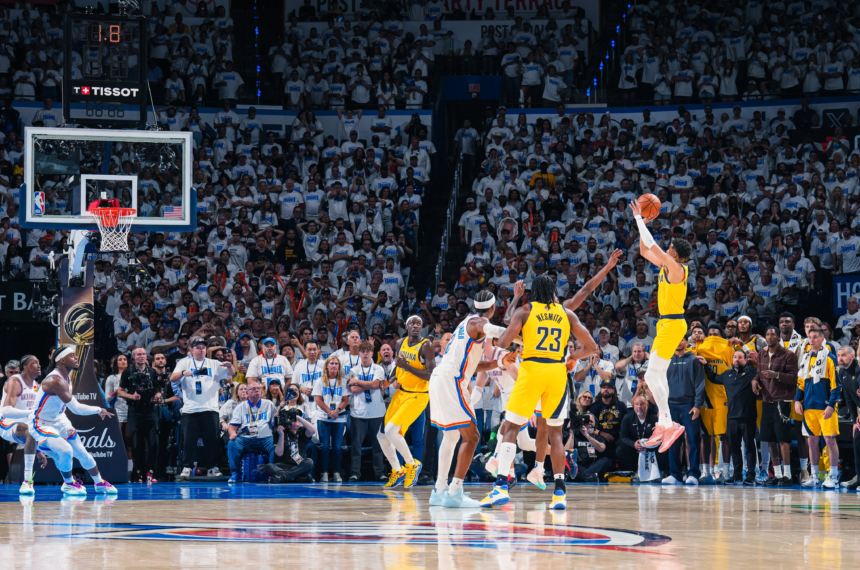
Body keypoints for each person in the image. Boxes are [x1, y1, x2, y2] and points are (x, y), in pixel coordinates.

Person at [481, 274, 596, 510]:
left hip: (532, 370)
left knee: (511, 428)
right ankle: (560, 493)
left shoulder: (525, 311)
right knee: (556, 434)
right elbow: (592, 347)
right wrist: (573, 356)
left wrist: (522, 335)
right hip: (557, 372)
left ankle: (501, 486)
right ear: (553, 292)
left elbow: (502, 343)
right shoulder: (566, 313)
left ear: (534, 293)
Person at [429, 289, 517, 508]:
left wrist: (500, 362)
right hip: (451, 380)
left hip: (441, 377)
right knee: (472, 437)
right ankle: (454, 492)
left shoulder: (464, 325)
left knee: (451, 436)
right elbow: (499, 332)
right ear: (493, 308)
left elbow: (473, 365)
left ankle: (439, 490)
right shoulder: (478, 322)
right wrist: (526, 337)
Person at [629, 198, 693, 451]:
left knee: (651, 374)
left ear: (674, 254)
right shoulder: (669, 265)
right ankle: (665, 422)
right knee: (657, 374)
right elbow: (645, 250)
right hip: (667, 325)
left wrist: (638, 218)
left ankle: (667, 422)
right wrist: (643, 226)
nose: (666, 249)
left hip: (673, 324)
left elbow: (653, 245)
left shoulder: (676, 269)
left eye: (669, 248)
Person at [26, 348, 117, 496]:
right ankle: (68, 484)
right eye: (72, 356)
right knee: (66, 450)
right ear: (62, 360)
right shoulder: (54, 380)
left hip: (60, 420)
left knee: (82, 453)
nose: (76, 358)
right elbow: (76, 408)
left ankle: (99, 483)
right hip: (41, 423)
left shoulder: (67, 377)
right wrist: (99, 409)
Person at [379, 315, 435, 488]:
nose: (416, 326)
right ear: (406, 326)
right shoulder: (399, 343)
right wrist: (389, 380)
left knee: (391, 431)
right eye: (412, 323)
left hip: (418, 395)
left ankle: (412, 464)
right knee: (381, 436)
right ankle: (398, 470)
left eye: (419, 324)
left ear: (422, 327)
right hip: (401, 393)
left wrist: (408, 367)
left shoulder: (426, 346)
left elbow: (431, 374)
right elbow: (398, 365)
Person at [170, 336, 235, 480]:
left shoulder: (214, 363)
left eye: (203, 348)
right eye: (198, 348)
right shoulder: (184, 362)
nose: (201, 350)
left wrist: (229, 366)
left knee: (212, 441)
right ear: (191, 349)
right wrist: (183, 373)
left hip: (210, 409)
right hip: (190, 409)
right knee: (189, 441)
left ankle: (212, 468)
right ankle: (187, 467)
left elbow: (231, 374)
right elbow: (172, 378)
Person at [795, 327, 841, 488]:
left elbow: (836, 385)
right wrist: (797, 400)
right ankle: (815, 477)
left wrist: (831, 405)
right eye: (810, 337)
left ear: (822, 339)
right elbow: (801, 383)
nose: (812, 340)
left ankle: (833, 477)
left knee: (830, 440)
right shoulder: (805, 358)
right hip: (809, 407)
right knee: (812, 441)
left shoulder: (830, 358)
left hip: (825, 406)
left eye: (815, 337)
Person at [753, 326, 798, 487]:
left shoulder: (788, 355)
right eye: (767, 334)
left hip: (782, 401)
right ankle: (777, 474)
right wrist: (754, 381)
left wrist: (776, 375)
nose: (769, 337)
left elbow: (794, 378)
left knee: (783, 439)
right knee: (769, 439)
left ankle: (787, 475)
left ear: (778, 337)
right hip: (767, 400)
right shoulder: (762, 353)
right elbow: (759, 372)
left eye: (773, 334)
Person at [117, 347, 165, 483]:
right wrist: (132, 397)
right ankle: (138, 472)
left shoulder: (152, 372)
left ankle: (151, 471)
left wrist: (157, 397)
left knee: (153, 443)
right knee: (137, 442)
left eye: (144, 354)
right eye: (139, 354)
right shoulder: (127, 372)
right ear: (134, 357)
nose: (142, 356)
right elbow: (120, 391)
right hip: (135, 410)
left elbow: (159, 389)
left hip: (150, 410)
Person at [663, 337, 705, 485]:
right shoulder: (666, 360)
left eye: (682, 340)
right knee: (673, 441)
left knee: (693, 440)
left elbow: (700, 384)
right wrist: (662, 407)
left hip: (689, 405)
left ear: (687, 342)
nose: (678, 342)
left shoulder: (694, 360)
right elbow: (661, 384)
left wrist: (697, 405)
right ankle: (675, 475)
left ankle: (693, 474)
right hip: (671, 406)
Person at [0, 355, 42, 495]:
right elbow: (6, 411)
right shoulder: (15, 381)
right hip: (7, 423)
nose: (39, 365)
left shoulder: (36, 386)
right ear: (26, 367)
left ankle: (69, 481)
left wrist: (39, 450)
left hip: (25, 426)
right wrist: (31, 413)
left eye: (39, 362)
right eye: (35, 363)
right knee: (30, 430)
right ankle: (27, 481)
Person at [715, 350, 758, 485]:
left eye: (740, 357)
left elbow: (763, 371)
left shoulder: (752, 372)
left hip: (748, 416)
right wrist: (705, 365)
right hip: (732, 417)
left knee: (749, 446)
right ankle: (737, 475)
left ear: (745, 360)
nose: (737, 359)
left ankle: (750, 475)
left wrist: (756, 361)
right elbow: (712, 378)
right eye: (735, 357)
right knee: (734, 447)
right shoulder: (726, 375)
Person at [346, 341, 387, 482]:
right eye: (362, 351)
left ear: (372, 353)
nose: (365, 354)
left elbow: (376, 385)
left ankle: (379, 473)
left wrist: (358, 382)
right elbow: (353, 389)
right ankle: (355, 473)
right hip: (358, 412)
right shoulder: (354, 370)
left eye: (367, 351)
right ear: (359, 353)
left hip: (377, 412)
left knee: (378, 445)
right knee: (356, 445)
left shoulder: (378, 368)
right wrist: (370, 385)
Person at [261, 384, 317, 483]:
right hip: (282, 465)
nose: (296, 422)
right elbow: (279, 453)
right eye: (293, 419)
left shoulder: (301, 431)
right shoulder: (281, 432)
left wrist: (298, 417)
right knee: (269, 466)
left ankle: (284, 477)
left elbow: (313, 430)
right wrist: (281, 435)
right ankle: (295, 476)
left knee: (309, 462)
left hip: (298, 464)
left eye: (298, 421)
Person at [226, 377, 277, 483]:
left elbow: (276, 422)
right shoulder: (241, 407)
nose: (257, 390)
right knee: (232, 444)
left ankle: (272, 474)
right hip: (246, 439)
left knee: (276, 445)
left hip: (265, 438)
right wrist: (232, 433)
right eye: (253, 389)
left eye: (258, 388)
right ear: (247, 393)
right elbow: (232, 426)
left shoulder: (268, 404)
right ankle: (236, 473)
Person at [312, 355, 349, 482]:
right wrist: (329, 411)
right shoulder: (320, 381)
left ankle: (337, 473)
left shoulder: (343, 381)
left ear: (339, 367)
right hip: (323, 417)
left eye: (336, 364)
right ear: (327, 366)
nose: (334, 365)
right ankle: (324, 473)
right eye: (331, 363)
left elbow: (345, 400)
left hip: (339, 418)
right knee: (324, 446)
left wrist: (336, 411)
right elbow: (318, 400)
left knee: (337, 447)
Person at [617, 394, 666, 478]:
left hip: (651, 448)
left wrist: (649, 445)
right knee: (620, 450)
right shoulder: (627, 417)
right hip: (635, 448)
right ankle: (636, 470)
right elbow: (623, 436)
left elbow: (660, 436)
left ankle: (661, 470)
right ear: (633, 406)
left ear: (647, 405)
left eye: (642, 404)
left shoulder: (655, 417)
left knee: (664, 449)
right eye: (637, 404)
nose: (639, 407)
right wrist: (633, 444)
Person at [837, 345, 860, 490]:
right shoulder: (842, 372)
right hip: (858, 415)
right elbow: (849, 398)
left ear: (852, 356)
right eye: (839, 355)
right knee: (857, 440)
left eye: (843, 355)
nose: (840, 358)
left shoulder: (858, 369)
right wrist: (854, 421)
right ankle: (859, 477)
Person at [566, 413, 612, 482]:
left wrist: (587, 435)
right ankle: (586, 477)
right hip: (577, 466)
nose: (589, 423)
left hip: (592, 466)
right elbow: (566, 451)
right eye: (587, 421)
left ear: (595, 424)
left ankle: (580, 476)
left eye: (591, 422)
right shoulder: (574, 437)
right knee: (566, 462)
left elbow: (602, 449)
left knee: (607, 461)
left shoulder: (598, 437)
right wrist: (572, 432)